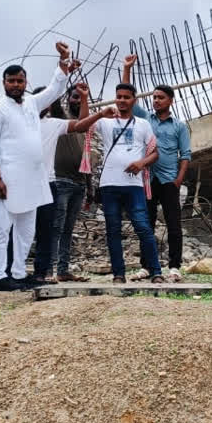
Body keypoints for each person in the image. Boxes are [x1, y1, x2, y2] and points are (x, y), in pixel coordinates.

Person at [0, 42, 77, 291]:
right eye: (11, 81)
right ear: (4, 83)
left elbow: (55, 89)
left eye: (20, 81)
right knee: (1, 228)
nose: (16, 85)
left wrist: (63, 62)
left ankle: (19, 273)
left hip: (33, 179)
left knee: (26, 230)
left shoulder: (32, 104)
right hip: (7, 179)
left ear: (25, 82)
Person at [29, 82, 109, 283]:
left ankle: (63, 270)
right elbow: (54, 102)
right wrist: (58, 83)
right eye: (74, 97)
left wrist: (89, 187)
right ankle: (48, 270)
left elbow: (85, 156)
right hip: (61, 181)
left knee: (67, 230)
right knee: (54, 227)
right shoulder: (59, 118)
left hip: (78, 183)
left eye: (79, 99)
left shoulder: (80, 127)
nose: (77, 101)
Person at [121, 54, 192, 278]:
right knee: (146, 224)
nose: (156, 101)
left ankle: (174, 267)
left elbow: (185, 155)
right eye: (154, 97)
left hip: (169, 180)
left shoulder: (179, 126)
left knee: (173, 225)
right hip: (147, 180)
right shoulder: (145, 120)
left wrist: (178, 180)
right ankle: (147, 266)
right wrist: (127, 69)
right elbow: (128, 97)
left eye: (160, 97)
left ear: (170, 101)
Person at [91, 81, 163, 284]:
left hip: (134, 186)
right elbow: (83, 123)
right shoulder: (105, 121)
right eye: (119, 97)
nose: (122, 100)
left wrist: (141, 163)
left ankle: (156, 271)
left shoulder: (143, 124)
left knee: (143, 228)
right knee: (113, 230)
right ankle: (118, 274)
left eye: (126, 97)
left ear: (134, 100)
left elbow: (155, 153)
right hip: (109, 184)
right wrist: (88, 100)